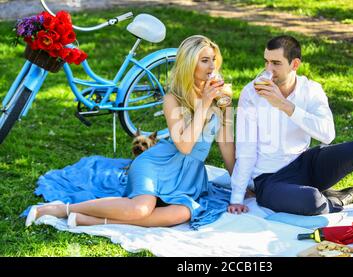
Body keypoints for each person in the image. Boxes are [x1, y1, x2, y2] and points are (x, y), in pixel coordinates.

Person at [26, 35, 235, 228]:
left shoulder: (222, 97)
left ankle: (88, 220)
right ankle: (62, 209)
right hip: (158, 164)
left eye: (213, 59)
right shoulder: (173, 99)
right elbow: (184, 146)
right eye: (204, 60)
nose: (211, 67)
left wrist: (239, 185)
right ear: (189, 64)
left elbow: (226, 144)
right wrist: (204, 104)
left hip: (188, 176)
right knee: (141, 208)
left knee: (181, 214)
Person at [227, 35, 353, 215]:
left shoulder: (310, 89)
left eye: (276, 63)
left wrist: (286, 106)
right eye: (266, 62)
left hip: (305, 164)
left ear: (295, 64)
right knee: (311, 200)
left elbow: (327, 135)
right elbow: (245, 150)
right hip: (270, 180)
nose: (268, 69)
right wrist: (236, 198)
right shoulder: (252, 93)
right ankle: (339, 199)